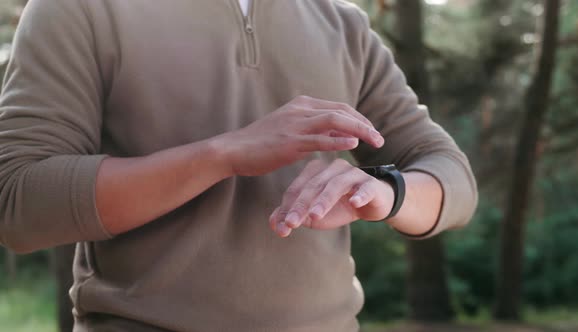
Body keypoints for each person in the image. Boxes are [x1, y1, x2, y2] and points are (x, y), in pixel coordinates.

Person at [0, 0, 478, 331]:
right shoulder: (81, 9)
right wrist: (223, 154)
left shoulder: (342, 25)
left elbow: (450, 175)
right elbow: (17, 201)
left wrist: (385, 192)